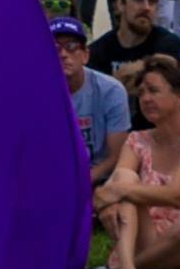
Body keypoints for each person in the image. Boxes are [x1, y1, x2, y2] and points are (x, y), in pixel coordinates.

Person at [94, 55, 180, 269]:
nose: (146, 99)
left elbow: (176, 195)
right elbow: (112, 189)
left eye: (154, 91)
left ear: (179, 96)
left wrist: (116, 192)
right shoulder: (138, 140)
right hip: (148, 237)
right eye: (141, 93)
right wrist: (109, 199)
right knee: (124, 177)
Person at [88, 0, 180, 126]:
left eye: (152, 2)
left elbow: (167, 75)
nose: (146, 7)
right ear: (120, 4)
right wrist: (151, 69)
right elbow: (97, 99)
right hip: (112, 131)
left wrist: (117, 81)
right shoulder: (98, 50)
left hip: (156, 130)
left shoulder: (168, 41)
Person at [50, 17, 129, 186]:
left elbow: (116, 156)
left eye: (71, 47)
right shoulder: (32, 93)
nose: (63, 54)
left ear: (85, 55)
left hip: (99, 179)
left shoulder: (111, 91)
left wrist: (81, 182)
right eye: (54, 48)